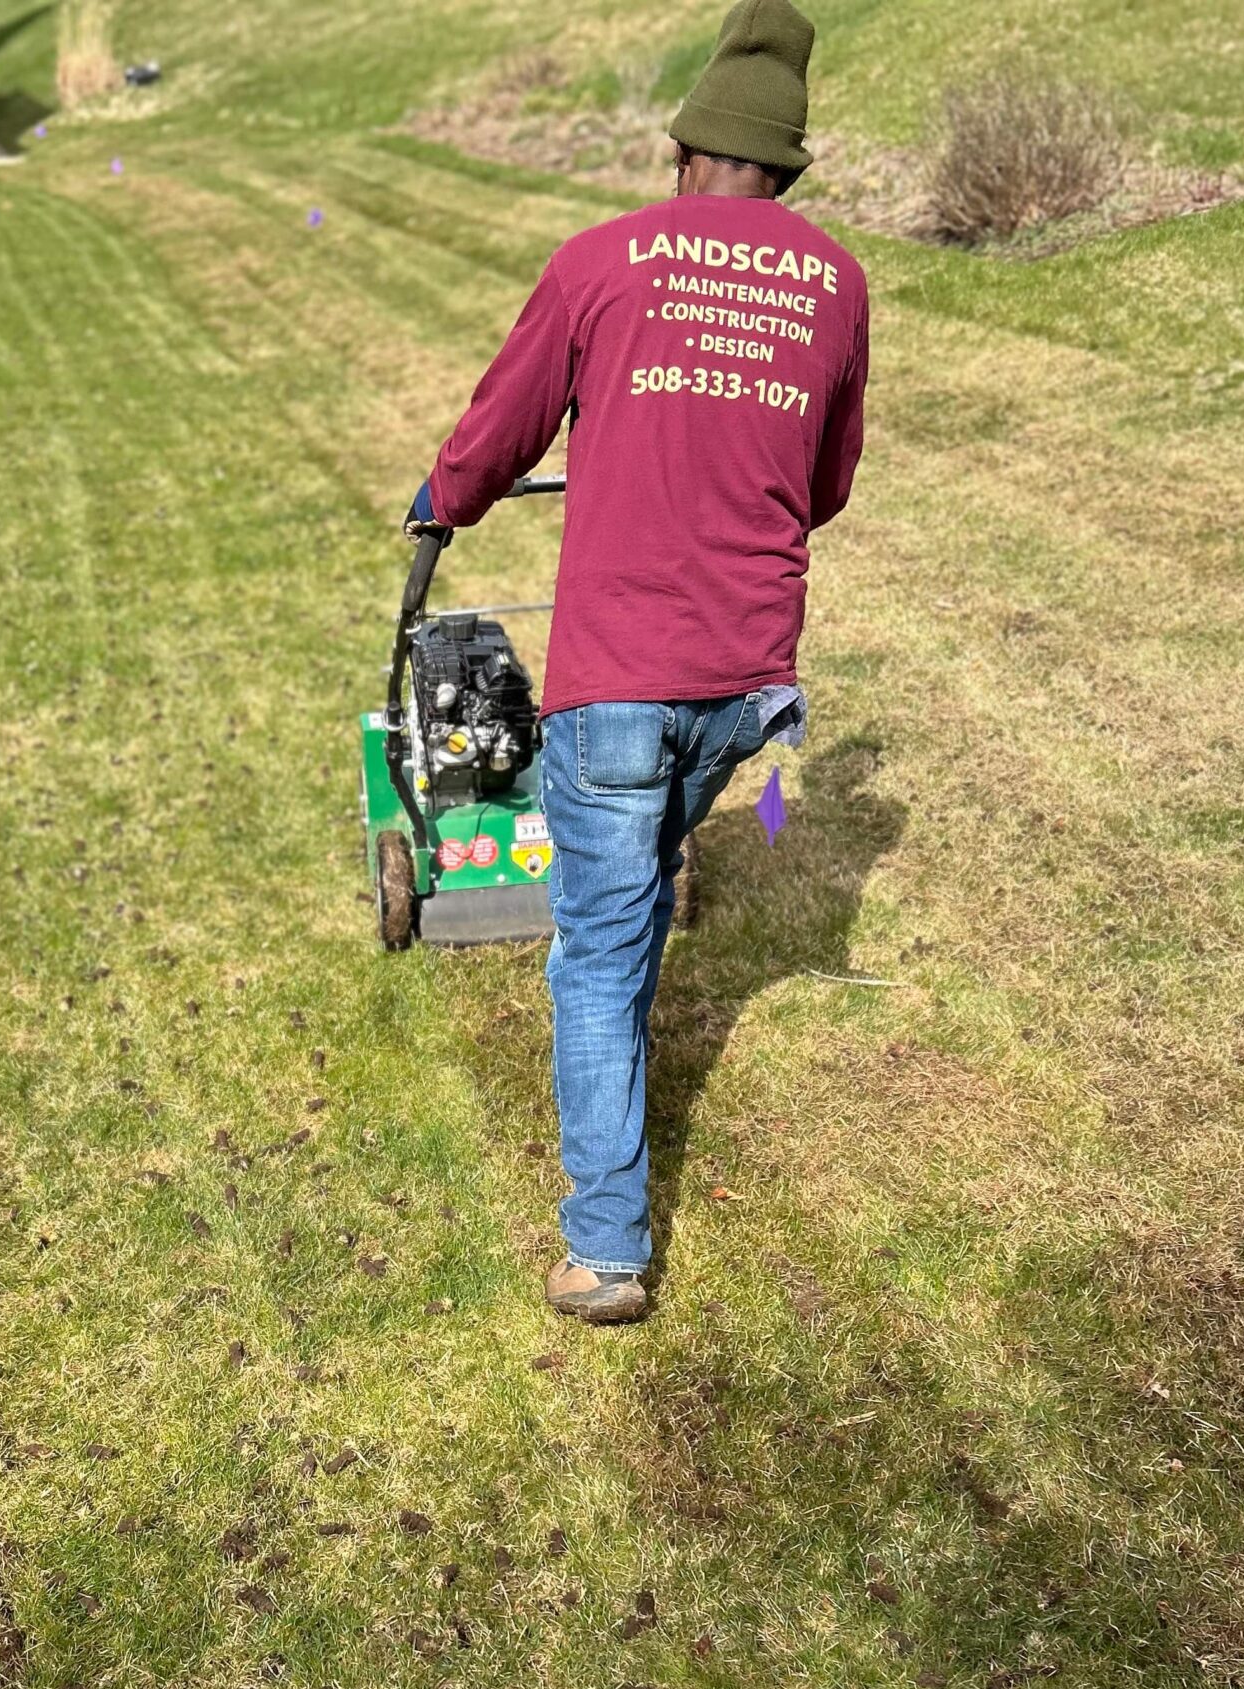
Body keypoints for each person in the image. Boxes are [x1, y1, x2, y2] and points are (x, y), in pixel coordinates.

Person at [406, 0, 869, 1325]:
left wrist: (444, 499)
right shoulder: (835, 284)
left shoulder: (606, 263)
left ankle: (609, 1247)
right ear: (783, 170)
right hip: (750, 688)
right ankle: (646, 891)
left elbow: (498, 429)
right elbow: (825, 484)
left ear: (684, 153)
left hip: (618, 679)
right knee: (645, 864)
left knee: (597, 958)